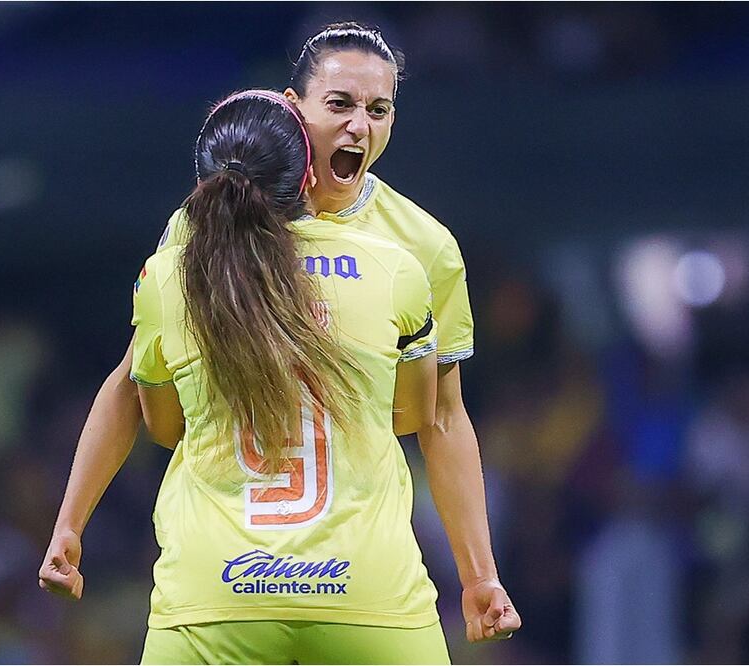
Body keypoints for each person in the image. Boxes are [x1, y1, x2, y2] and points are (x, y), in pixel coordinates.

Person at [40, 21, 521, 649]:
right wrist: (70, 522)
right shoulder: (206, 224)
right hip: (284, 571)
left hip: (301, 571)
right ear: (292, 110)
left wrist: (479, 573)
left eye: (379, 110)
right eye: (340, 104)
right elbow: (134, 383)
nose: (360, 126)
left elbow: (441, 419)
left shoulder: (423, 245)